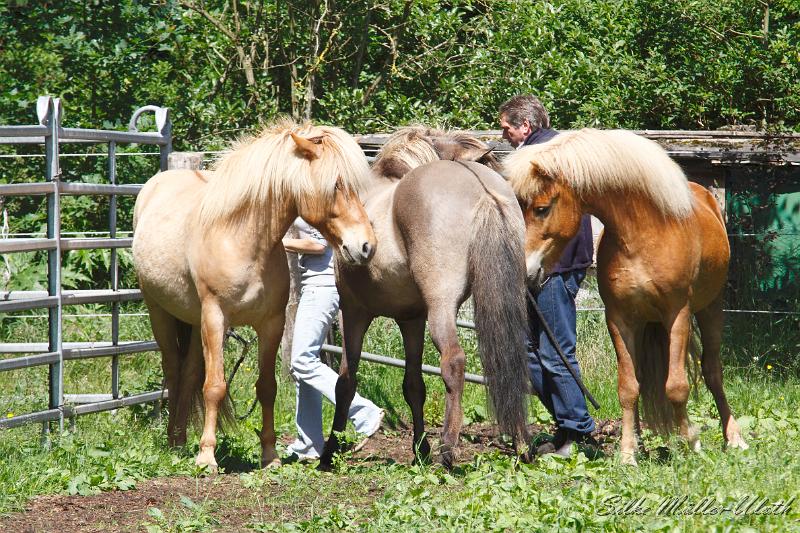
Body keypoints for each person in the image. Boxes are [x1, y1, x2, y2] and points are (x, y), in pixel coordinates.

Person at [499, 95, 597, 457]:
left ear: (525, 125)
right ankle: (566, 425)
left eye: (507, 128)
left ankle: (580, 434)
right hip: (544, 264)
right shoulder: (546, 153)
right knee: (529, 352)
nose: (504, 135)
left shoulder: (542, 158)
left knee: (555, 352)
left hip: (553, 266)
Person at [283, 218, 384, 461]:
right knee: (303, 367)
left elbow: (321, 246)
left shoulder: (318, 199)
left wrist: (278, 241)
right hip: (314, 285)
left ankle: (364, 412)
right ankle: (308, 444)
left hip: (322, 285)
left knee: (302, 360)